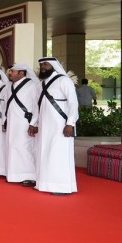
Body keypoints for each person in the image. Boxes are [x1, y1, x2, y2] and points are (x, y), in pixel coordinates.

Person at [34, 57, 79, 195]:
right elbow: (36, 106)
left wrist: (70, 123)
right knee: (45, 153)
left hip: (61, 125)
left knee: (59, 154)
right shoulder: (41, 84)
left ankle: (62, 187)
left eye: (46, 64)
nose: (43, 66)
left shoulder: (64, 81)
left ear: (54, 65)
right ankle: (45, 184)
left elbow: (73, 103)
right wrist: (34, 123)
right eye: (41, 64)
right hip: (45, 126)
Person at [4, 64, 39, 187]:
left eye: (12, 71)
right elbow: (7, 105)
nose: (9, 73)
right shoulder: (10, 86)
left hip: (25, 121)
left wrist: (33, 123)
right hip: (12, 121)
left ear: (21, 73)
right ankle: (14, 175)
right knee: (12, 147)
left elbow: (36, 106)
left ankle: (29, 176)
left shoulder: (32, 85)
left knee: (24, 147)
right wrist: (5, 120)